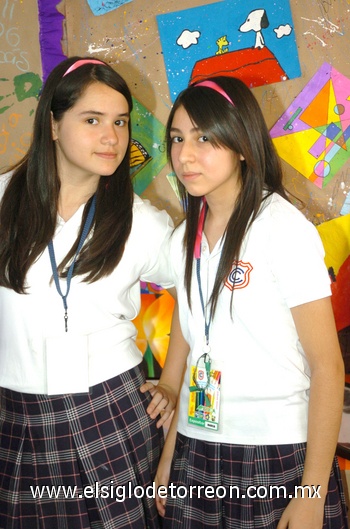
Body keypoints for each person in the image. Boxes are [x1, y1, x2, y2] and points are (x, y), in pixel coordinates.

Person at [144, 76, 349, 529]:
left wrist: (312, 494)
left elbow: (327, 368)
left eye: (204, 137)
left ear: (241, 144)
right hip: (198, 448)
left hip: (278, 454)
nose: (184, 154)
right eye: (177, 138)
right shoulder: (183, 239)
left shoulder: (281, 227)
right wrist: (168, 460)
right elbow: (199, 346)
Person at [0, 56, 176, 529]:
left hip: (110, 412)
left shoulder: (144, 221)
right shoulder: (2, 200)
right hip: (14, 414)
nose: (112, 137)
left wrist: (174, 379)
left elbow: (201, 298)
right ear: (53, 125)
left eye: (120, 122)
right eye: (92, 120)